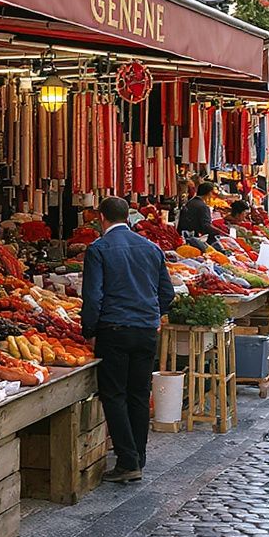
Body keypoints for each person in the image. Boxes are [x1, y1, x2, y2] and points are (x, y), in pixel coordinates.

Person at [81, 196, 175, 485]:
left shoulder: (98, 249)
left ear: (101, 218)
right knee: (137, 393)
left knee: (114, 394)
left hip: (115, 329)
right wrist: (152, 314)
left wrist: (89, 330)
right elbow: (167, 293)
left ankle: (127, 460)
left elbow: (93, 296)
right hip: (146, 330)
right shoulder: (151, 248)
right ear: (129, 217)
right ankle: (138, 456)